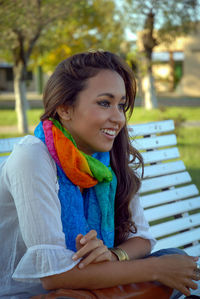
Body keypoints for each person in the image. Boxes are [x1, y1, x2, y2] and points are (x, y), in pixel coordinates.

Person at [0, 50, 199, 299]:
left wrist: (114, 255)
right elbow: (53, 276)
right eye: (105, 103)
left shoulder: (106, 158)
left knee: (175, 257)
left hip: (93, 283)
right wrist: (156, 269)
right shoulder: (32, 158)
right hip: (30, 294)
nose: (118, 118)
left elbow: (143, 238)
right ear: (64, 108)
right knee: (167, 265)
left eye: (121, 105)